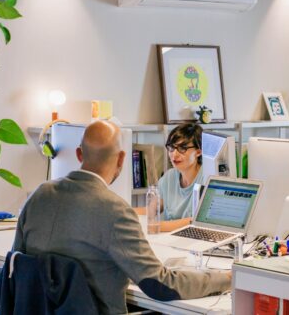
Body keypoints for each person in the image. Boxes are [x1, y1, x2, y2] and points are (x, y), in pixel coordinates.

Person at [13, 120, 230, 314]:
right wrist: (226, 278)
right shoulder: (115, 211)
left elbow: (16, 263)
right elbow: (161, 285)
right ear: (122, 158)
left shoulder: (39, 195)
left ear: (79, 154)